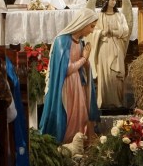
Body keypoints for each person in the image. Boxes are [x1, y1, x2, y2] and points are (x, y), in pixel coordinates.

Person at [40, 8, 99, 144]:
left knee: (81, 116)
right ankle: (66, 144)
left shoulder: (80, 42)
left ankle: (78, 144)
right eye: (91, 26)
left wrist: (86, 63)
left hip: (78, 84)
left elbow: (82, 67)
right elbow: (65, 70)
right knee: (69, 118)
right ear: (83, 23)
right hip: (66, 87)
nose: (92, 31)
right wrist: (84, 59)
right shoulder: (62, 41)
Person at [88, 0, 129, 109]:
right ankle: (104, 101)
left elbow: (126, 30)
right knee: (105, 74)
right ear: (106, 0)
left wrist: (115, 32)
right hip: (104, 47)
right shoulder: (99, 16)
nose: (114, 2)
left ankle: (117, 102)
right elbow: (93, 31)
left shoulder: (120, 16)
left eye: (116, 0)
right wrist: (102, 32)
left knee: (116, 74)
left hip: (116, 46)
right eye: (112, 0)